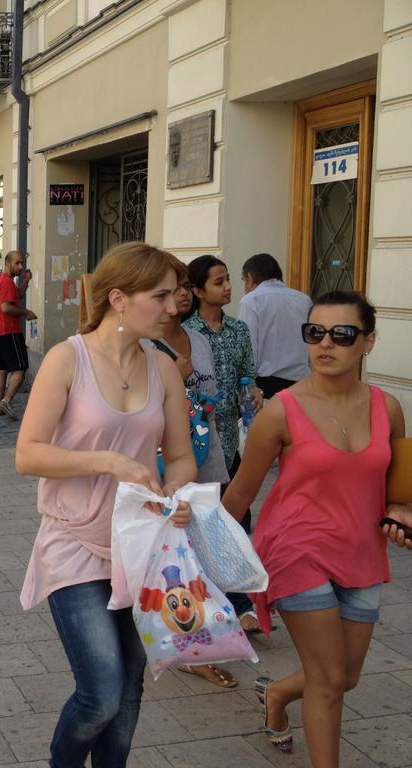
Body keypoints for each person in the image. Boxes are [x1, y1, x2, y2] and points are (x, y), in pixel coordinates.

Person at [16, 241, 196, 767]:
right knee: (101, 692)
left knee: (130, 692)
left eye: (176, 295)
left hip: (141, 548)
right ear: (119, 298)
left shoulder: (163, 367)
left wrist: (175, 495)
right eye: (160, 295)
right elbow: (27, 454)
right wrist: (109, 462)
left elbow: (181, 457)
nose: (173, 306)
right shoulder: (66, 359)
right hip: (74, 542)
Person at [222, 291, 412, 762]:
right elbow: (239, 497)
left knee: (345, 674)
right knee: (329, 682)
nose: (325, 344)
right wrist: (201, 558)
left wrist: (401, 512)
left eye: (342, 334)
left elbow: (397, 486)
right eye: (315, 333)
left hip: (363, 551)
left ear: (368, 341)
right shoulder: (280, 412)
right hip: (294, 548)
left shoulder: (387, 408)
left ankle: (279, 694)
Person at [151, 260, 235, 689]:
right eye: (173, 289)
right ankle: (186, 644)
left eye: (185, 287)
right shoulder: (147, 344)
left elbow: (210, 394)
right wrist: (173, 382)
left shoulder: (198, 339)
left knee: (204, 549)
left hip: (204, 451)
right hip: (161, 462)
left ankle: (197, 637)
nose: (181, 295)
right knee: (174, 557)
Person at [183, 254, 263, 632]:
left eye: (229, 279)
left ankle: (240, 600)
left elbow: (248, 375)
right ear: (197, 290)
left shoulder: (239, 330)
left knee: (233, 520)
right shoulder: (187, 332)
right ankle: (230, 602)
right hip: (195, 442)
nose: (228, 287)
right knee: (206, 521)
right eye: (218, 282)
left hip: (231, 438)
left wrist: (253, 396)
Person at [238, 253, 312, 399]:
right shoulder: (304, 300)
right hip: (302, 384)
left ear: (250, 278)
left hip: (266, 385)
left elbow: (248, 349)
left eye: (243, 280)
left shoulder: (251, 301)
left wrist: (247, 387)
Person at [0, 250, 35, 420]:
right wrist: (26, 312)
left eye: (22, 263)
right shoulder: (7, 282)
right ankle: (6, 400)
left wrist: (26, 281)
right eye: (17, 263)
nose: (21, 266)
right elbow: (6, 307)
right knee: (20, 369)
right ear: (7, 263)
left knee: (1, 369)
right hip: (9, 332)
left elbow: (17, 295)